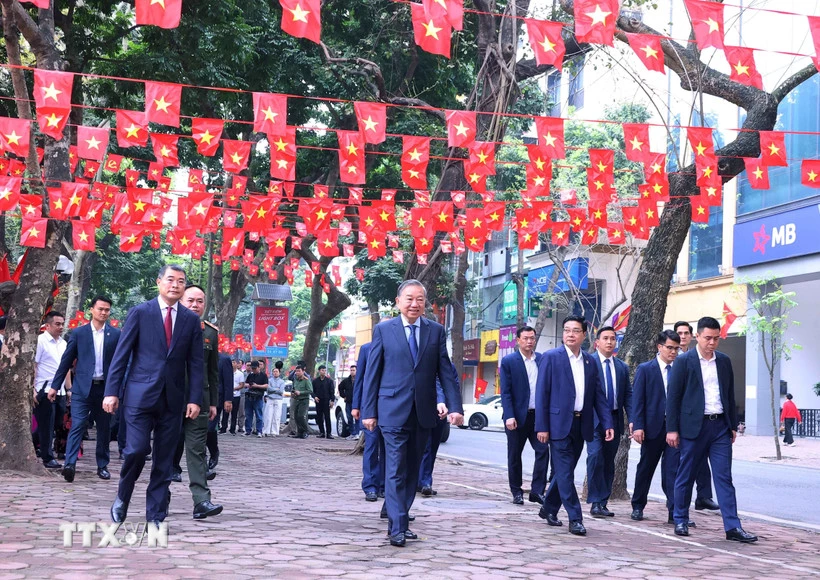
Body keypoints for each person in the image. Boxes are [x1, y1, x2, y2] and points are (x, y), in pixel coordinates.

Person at [361, 280, 464, 547]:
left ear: (425, 303)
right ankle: (397, 527)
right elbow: (372, 374)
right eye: (409, 298)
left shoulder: (435, 331)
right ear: (398, 302)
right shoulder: (384, 330)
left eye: (420, 299)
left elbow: (445, 371)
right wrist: (368, 411)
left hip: (423, 412)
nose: (414, 304)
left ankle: (400, 520)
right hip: (391, 411)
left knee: (412, 471)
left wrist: (455, 407)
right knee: (395, 468)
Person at [103, 264, 204, 526]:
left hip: (173, 399)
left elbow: (195, 363)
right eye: (170, 279)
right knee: (136, 450)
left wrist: (195, 399)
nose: (175, 285)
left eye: (180, 281)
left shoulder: (190, 320)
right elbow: (121, 355)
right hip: (139, 396)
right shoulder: (140, 312)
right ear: (159, 282)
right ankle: (123, 495)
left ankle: (155, 515)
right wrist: (111, 392)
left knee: (165, 459)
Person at [667, 316, 757, 543]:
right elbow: (673, 398)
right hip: (693, 428)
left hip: (720, 428)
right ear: (697, 336)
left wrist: (732, 425)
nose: (712, 342)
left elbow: (729, 394)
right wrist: (672, 429)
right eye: (708, 338)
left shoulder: (724, 361)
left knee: (724, 477)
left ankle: (733, 527)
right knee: (686, 475)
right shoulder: (683, 361)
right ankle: (680, 519)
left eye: (716, 338)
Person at [535, 315, 613, 537]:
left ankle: (548, 508)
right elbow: (542, 394)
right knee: (565, 473)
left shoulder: (590, 361)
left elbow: (598, 395)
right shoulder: (551, 357)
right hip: (558, 424)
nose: (570, 334)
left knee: (565, 472)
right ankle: (575, 518)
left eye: (575, 331)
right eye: (567, 330)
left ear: (584, 335)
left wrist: (607, 422)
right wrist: (542, 426)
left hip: (582, 424)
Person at [50, 296, 121, 482]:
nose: (103, 313)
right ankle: (70, 464)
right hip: (82, 389)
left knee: (104, 428)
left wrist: (118, 390)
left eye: (107, 310)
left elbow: (121, 363)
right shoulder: (79, 333)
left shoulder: (115, 334)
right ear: (92, 310)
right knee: (78, 424)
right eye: (100, 309)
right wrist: (55, 386)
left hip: (105, 390)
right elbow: (66, 361)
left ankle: (102, 466)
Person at [170, 285, 223, 520]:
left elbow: (212, 371)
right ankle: (160, 496)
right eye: (190, 300)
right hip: (170, 398)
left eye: (200, 301)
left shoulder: (210, 332)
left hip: (199, 400)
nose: (195, 305)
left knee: (197, 450)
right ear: (180, 301)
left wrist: (213, 402)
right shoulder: (168, 325)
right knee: (165, 449)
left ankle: (202, 501)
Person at [630, 330, 688, 523]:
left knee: (673, 471)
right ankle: (638, 506)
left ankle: (674, 511)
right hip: (652, 428)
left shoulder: (681, 368)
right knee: (646, 468)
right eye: (669, 348)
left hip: (675, 429)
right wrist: (638, 426)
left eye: (676, 348)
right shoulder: (646, 369)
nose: (673, 352)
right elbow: (638, 400)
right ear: (659, 347)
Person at [499, 326, 549, 505]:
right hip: (517, 417)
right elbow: (505, 391)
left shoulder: (542, 360)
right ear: (518, 340)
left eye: (532, 338)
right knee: (514, 455)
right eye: (526, 338)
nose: (529, 341)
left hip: (538, 418)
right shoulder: (509, 361)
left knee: (543, 451)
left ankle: (537, 491)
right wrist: (509, 415)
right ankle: (516, 491)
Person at [674, 320, 720, 513]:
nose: (683, 337)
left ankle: (703, 496)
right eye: (679, 333)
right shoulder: (675, 358)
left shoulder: (704, 357)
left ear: (692, 335)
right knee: (680, 467)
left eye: (686, 333)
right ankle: (675, 509)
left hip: (702, 420)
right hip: (678, 419)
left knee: (702, 463)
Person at [586, 326, 631, 518]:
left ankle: (602, 502)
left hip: (613, 419)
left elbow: (628, 395)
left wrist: (632, 420)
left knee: (608, 462)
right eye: (605, 338)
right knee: (595, 456)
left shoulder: (621, 367)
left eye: (612, 338)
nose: (609, 342)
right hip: (594, 419)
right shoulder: (589, 363)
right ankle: (595, 501)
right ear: (597, 342)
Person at [418, 362, 459, 497]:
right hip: (423, 410)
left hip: (441, 413)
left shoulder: (449, 367)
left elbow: (454, 386)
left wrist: (454, 409)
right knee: (424, 447)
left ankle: (424, 481)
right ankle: (423, 481)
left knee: (432, 449)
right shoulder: (424, 362)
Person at [34, 311, 69, 469]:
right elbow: (34, 366)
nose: (60, 327)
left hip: (60, 390)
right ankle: (47, 458)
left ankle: (33, 442)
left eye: (62, 324)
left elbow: (65, 368)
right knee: (46, 425)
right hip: (45, 388)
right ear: (47, 325)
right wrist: (33, 390)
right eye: (57, 324)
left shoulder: (63, 343)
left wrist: (69, 389)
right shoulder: (40, 341)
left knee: (57, 422)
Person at [352, 342, 385, 501]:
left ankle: (384, 486)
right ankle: (370, 486)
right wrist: (356, 405)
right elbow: (359, 379)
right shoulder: (366, 349)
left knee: (388, 449)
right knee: (371, 447)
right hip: (369, 406)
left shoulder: (397, 345)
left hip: (390, 407)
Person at [209, 352, 234, 473]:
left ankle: (214, 452)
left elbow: (228, 381)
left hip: (216, 399)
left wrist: (228, 399)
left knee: (209, 428)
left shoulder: (223, 360)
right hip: (199, 398)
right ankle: (201, 462)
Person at [243, 361, 267, 437]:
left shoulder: (263, 375)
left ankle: (259, 431)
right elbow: (245, 384)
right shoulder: (250, 375)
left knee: (259, 415)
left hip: (258, 397)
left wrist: (257, 386)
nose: (253, 370)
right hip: (249, 396)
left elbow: (266, 386)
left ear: (259, 367)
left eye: (255, 368)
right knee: (248, 415)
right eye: (252, 368)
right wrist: (249, 385)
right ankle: (248, 430)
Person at [313, 365, 335, 439]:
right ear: (319, 371)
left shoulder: (329, 381)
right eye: (322, 370)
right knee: (319, 417)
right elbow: (312, 391)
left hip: (326, 401)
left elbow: (332, 392)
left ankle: (329, 433)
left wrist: (332, 400)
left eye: (325, 370)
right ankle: (322, 432)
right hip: (318, 401)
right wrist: (314, 397)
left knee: (327, 417)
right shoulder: (315, 381)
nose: (324, 372)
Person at [222, 360, 244, 434]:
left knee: (234, 413)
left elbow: (241, 385)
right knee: (225, 412)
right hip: (226, 395)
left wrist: (233, 389)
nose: (232, 364)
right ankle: (223, 428)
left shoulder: (240, 374)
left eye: (234, 362)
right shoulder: (226, 372)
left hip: (236, 395)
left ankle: (232, 429)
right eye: (231, 362)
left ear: (237, 364)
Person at [263, 363, 286, 436]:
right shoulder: (269, 380)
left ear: (279, 373)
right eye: (274, 371)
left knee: (276, 416)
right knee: (268, 416)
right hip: (270, 398)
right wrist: (276, 389)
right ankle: (266, 431)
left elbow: (281, 391)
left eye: (277, 371)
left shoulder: (282, 381)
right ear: (272, 373)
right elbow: (268, 389)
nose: (275, 373)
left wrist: (273, 390)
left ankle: (274, 432)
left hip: (278, 400)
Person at [291, 365, 313, 438]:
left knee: (301, 416)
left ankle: (306, 430)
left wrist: (300, 392)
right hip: (296, 399)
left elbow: (310, 390)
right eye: (296, 371)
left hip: (304, 400)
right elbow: (293, 388)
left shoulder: (306, 380)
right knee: (296, 416)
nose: (297, 372)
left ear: (303, 371)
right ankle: (299, 432)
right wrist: (293, 393)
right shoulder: (295, 380)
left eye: (299, 371)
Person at [338, 365, 358, 440]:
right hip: (349, 402)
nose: (352, 372)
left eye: (353, 370)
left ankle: (357, 433)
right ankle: (352, 433)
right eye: (351, 370)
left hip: (357, 402)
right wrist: (344, 396)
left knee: (357, 417)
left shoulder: (359, 380)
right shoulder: (346, 381)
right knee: (349, 417)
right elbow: (340, 387)